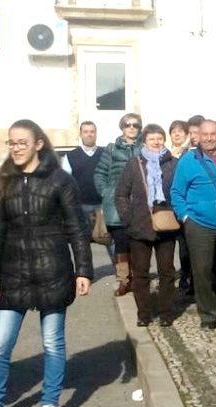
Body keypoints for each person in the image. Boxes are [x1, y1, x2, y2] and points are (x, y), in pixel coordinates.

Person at [0, 119, 93, 407]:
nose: (16, 148)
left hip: (53, 270)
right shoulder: (3, 182)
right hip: (12, 273)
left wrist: (83, 270)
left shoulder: (60, 180)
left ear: (38, 144)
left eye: (22, 142)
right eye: (12, 143)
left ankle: (50, 404)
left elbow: (77, 228)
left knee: (53, 343)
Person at [171, 119, 216, 329]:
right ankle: (209, 314)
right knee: (202, 271)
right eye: (205, 134)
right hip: (199, 223)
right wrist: (185, 216)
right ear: (198, 137)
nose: (209, 138)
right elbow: (176, 192)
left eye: (213, 134)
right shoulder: (188, 160)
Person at [115, 124, 179, 327]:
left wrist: (177, 213)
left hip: (166, 225)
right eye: (152, 139)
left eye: (159, 138)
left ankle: (166, 312)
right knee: (141, 273)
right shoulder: (134, 164)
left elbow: (180, 190)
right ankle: (143, 313)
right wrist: (129, 218)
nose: (156, 142)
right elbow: (121, 194)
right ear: (144, 142)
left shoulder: (173, 163)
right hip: (140, 226)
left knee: (167, 272)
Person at [94, 113, 143, 296]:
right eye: (127, 124)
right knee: (121, 243)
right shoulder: (112, 149)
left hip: (139, 202)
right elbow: (100, 172)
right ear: (122, 127)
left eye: (135, 125)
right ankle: (124, 279)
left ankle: (138, 278)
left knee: (138, 243)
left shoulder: (144, 147)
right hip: (116, 202)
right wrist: (106, 191)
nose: (131, 128)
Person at [61, 121, 105, 237]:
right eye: (85, 132)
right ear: (80, 134)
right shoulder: (70, 156)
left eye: (92, 131)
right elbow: (65, 183)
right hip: (80, 206)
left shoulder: (106, 154)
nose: (89, 134)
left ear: (96, 133)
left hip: (103, 205)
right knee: (82, 241)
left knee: (107, 240)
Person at [168, 120, 194, 294]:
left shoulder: (190, 153)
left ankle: (188, 278)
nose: (177, 134)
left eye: (180, 131)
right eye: (173, 131)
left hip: (186, 206)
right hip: (168, 208)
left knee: (186, 247)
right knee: (170, 247)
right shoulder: (166, 153)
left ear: (187, 134)